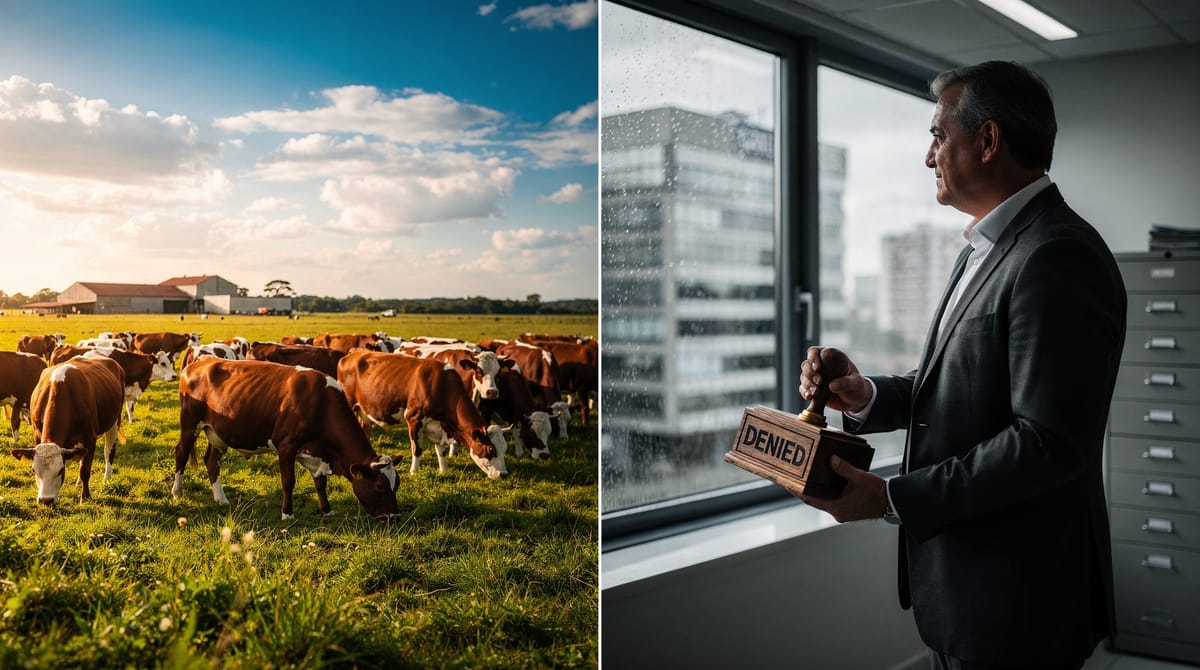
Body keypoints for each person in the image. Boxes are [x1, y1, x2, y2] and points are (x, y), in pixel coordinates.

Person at [798, 61, 1126, 669]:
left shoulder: (1057, 255)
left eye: (938, 135)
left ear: (988, 139)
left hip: (1018, 598)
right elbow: (964, 388)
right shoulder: (987, 247)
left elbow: (1047, 442)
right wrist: (865, 393)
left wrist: (891, 498)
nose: (929, 157)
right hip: (969, 589)